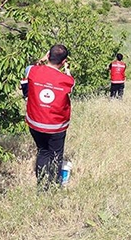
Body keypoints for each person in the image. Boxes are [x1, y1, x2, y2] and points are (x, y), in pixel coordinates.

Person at [25, 44, 75, 189]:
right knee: (56, 156)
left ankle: (41, 185)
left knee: (42, 152)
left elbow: (29, 69)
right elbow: (71, 85)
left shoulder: (33, 71)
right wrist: (67, 71)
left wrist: (40, 62)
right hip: (56, 126)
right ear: (64, 61)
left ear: (48, 55)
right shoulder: (66, 80)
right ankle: (53, 186)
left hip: (35, 123)